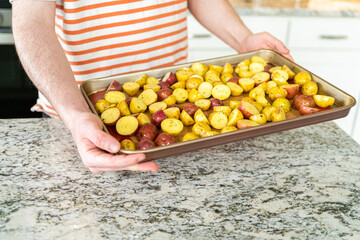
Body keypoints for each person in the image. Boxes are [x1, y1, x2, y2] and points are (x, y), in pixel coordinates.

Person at [12, 0, 292, 173]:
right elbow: (31, 22)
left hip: (177, 120)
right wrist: (75, 116)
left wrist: (243, 39)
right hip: (78, 126)